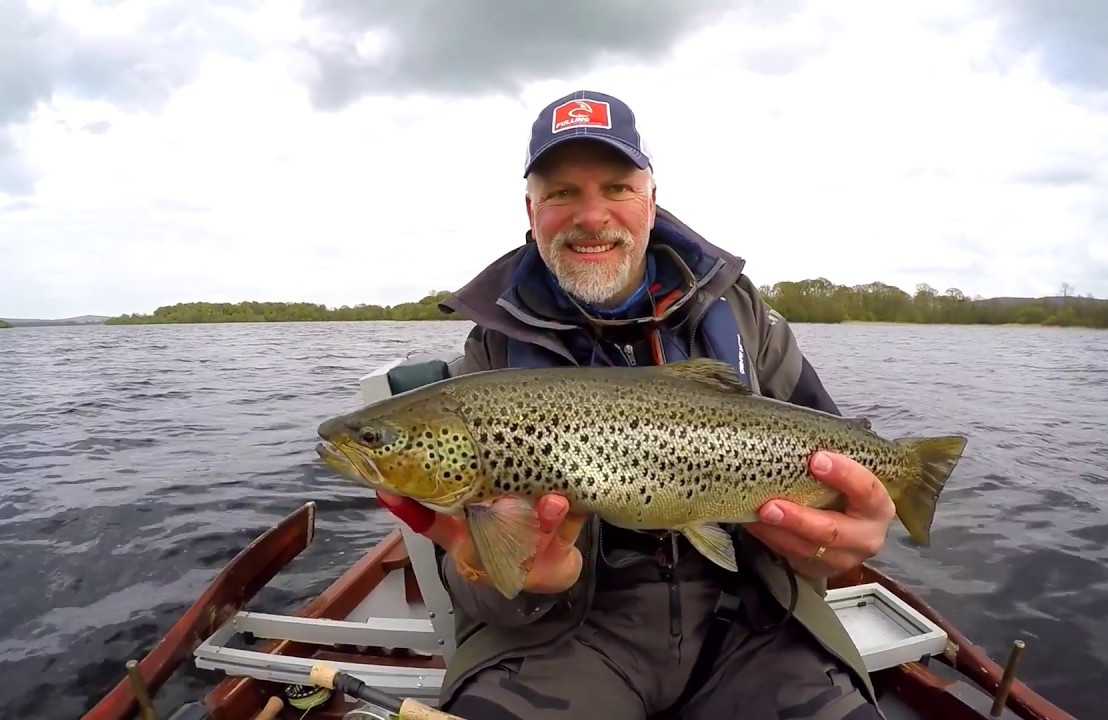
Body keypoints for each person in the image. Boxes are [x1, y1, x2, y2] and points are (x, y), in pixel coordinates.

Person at [376, 90, 895, 720]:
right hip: (560, 642)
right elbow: (479, 587)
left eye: (617, 187)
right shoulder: (491, 355)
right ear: (530, 209)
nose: (591, 215)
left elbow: (841, 484)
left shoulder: (747, 318)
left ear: (651, 200)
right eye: (562, 192)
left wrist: (849, 535)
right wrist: (502, 573)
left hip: (756, 628)